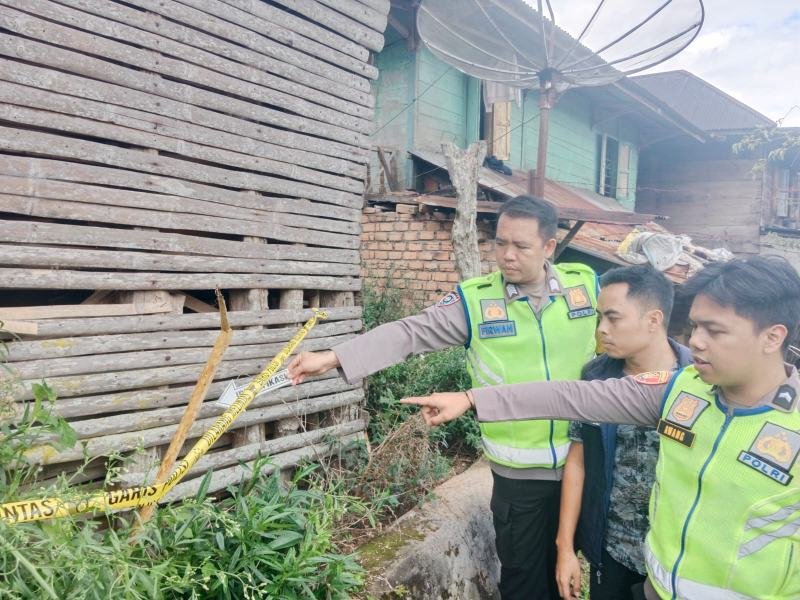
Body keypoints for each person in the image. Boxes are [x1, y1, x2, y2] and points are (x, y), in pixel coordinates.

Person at [403, 255, 800, 600]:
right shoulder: (681, 389)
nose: (696, 341)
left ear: (772, 337)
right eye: (695, 327)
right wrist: (474, 399)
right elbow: (569, 397)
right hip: (647, 583)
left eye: (715, 331)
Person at [289, 195, 599, 599]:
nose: (506, 255)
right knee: (525, 582)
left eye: (520, 246)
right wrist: (335, 357)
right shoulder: (475, 301)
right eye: (500, 242)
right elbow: (410, 332)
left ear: (548, 248)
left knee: (574, 571)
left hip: (585, 464)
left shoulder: (586, 286)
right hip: (520, 476)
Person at [555, 265, 692, 600]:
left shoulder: (697, 384)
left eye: (613, 318)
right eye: (599, 317)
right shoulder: (596, 377)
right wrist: (565, 548)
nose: (602, 329)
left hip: (677, 562)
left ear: (653, 320)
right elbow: (578, 462)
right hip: (611, 550)